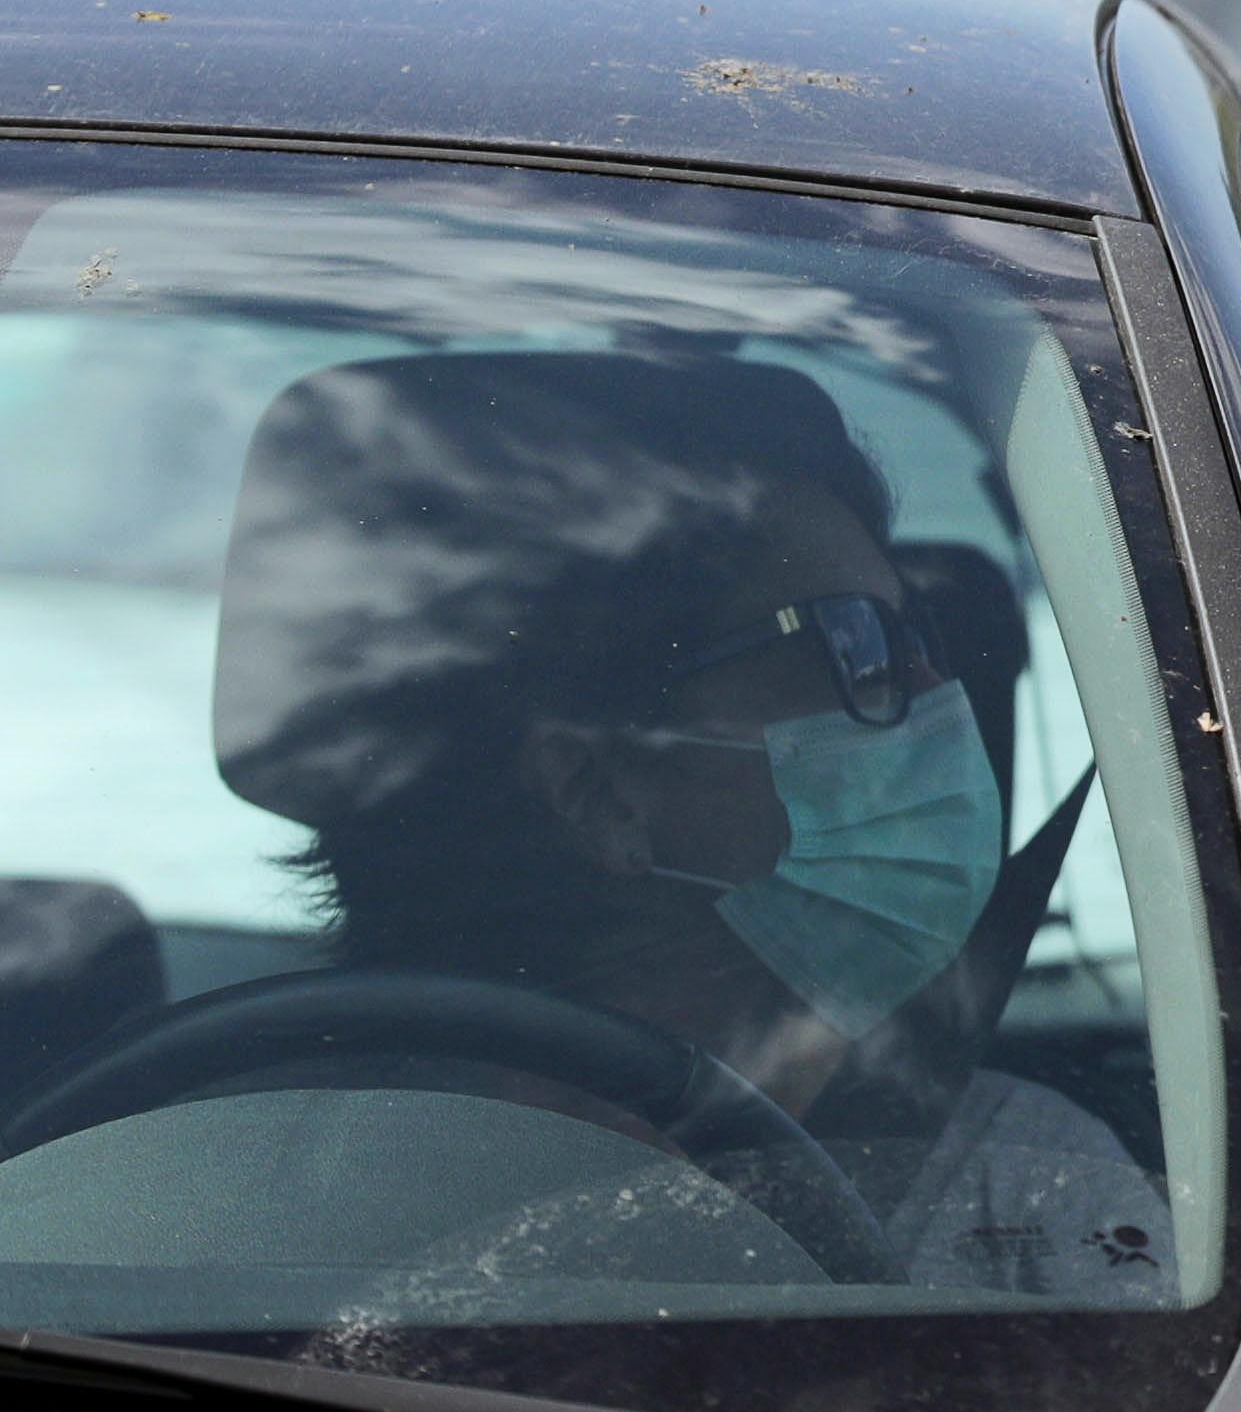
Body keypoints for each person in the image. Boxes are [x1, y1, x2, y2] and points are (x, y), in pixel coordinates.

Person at [205, 350, 1167, 1299]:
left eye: (921, 635)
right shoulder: (232, 1184)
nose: (936, 690)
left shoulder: (1028, 1189)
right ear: (598, 792)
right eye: (851, 644)